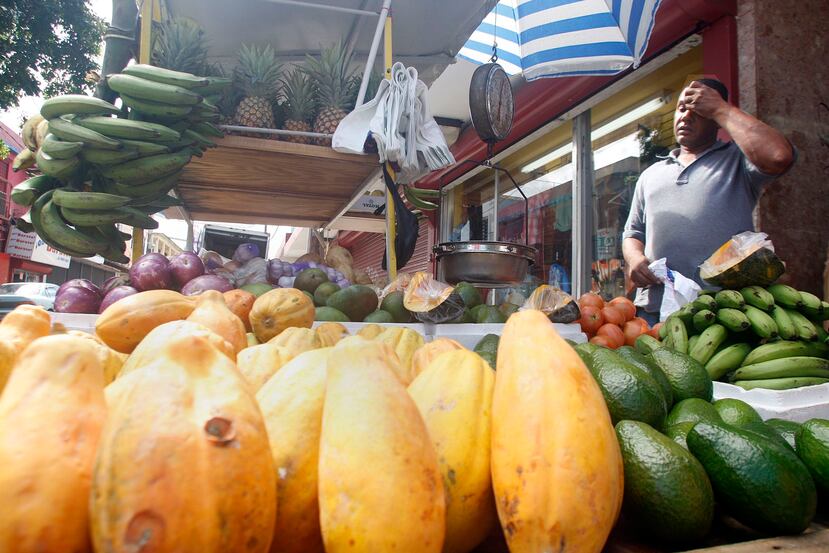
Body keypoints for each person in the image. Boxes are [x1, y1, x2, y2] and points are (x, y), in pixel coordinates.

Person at [622, 78, 795, 325]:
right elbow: (633, 232)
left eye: (698, 111)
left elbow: (779, 156)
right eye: (681, 108)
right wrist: (635, 259)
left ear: (716, 119)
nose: (685, 116)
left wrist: (721, 108)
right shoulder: (650, 174)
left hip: (725, 311)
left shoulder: (737, 161)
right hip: (655, 310)